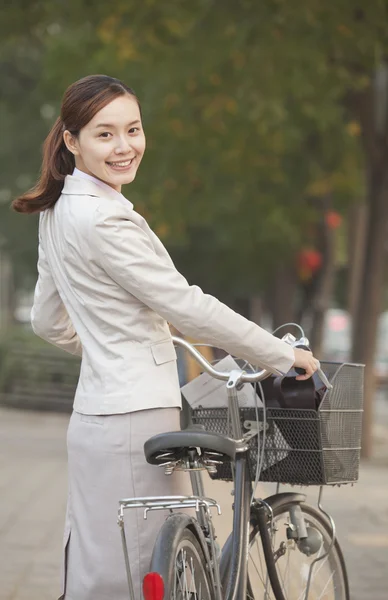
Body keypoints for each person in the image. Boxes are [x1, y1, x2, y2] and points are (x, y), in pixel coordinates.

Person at [12, 74, 319, 600]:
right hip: (137, 420)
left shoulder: (57, 210)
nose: (125, 146)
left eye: (133, 129)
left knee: (98, 574)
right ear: (71, 140)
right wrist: (279, 354)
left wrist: (111, 346)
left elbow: (46, 320)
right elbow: (187, 307)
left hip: (92, 421)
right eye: (105, 134)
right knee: (143, 578)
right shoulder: (105, 218)